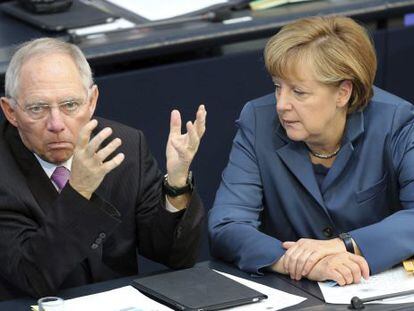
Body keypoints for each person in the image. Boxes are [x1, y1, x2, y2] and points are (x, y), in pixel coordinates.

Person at [208, 15, 414, 286]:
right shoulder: (258, 121)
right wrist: (302, 263)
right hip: (298, 291)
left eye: (299, 92)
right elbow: (227, 225)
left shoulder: (395, 122)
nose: (282, 104)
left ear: (343, 92)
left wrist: (344, 245)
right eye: (277, 87)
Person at [0, 38, 206, 300]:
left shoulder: (126, 146)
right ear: (10, 111)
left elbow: (176, 256)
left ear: (92, 101)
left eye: (69, 105)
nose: (56, 123)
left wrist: (176, 184)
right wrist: (80, 190)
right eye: (37, 108)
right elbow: (32, 276)